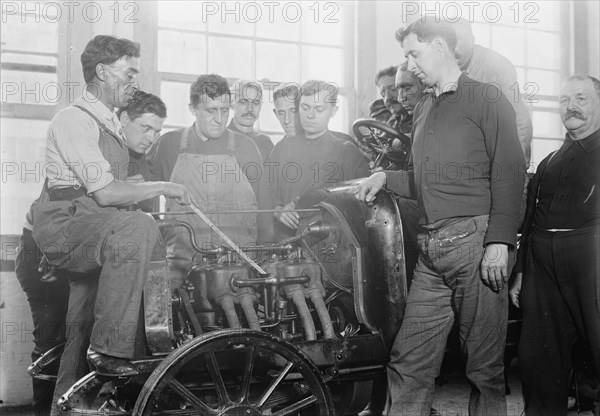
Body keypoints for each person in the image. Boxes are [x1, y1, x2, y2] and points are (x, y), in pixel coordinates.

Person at [355, 19, 525, 415]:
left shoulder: (487, 98)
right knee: (409, 360)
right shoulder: (425, 107)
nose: (410, 65)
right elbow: (425, 182)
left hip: (476, 242)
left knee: (483, 370)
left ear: (438, 46)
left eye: (414, 53)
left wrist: (500, 241)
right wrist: (385, 176)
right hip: (433, 250)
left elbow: (510, 170)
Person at [31, 34, 191, 390]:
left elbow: (107, 186)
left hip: (93, 228)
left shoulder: (111, 124)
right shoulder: (75, 120)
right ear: (102, 73)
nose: (134, 82)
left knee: (81, 327)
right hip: (71, 224)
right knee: (138, 226)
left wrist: (134, 184)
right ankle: (110, 350)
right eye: (128, 73)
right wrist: (161, 187)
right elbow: (104, 194)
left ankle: (73, 399)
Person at [510, 75, 600, 416]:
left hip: (592, 258)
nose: (571, 106)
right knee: (539, 357)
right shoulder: (549, 163)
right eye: (564, 100)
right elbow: (530, 224)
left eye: (581, 98)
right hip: (542, 264)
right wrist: (520, 274)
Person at [147, 74, 270, 283]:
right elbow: (145, 200)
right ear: (192, 109)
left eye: (224, 110)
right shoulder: (169, 144)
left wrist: (264, 257)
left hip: (238, 267)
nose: (219, 119)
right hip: (182, 267)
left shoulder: (246, 148)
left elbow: (264, 208)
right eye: (211, 110)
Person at [267, 79, 369, 240]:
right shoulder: (282, 149)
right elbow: (265, 193)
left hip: (332, 243)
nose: (310, 115)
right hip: (287, 242)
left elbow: (361, 205)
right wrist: (278, 210)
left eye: (319, 109)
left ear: (333, 111)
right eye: (305, 107)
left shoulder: (346, 151)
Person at [453, 17, 533, 165]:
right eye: (445, 44)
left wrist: (518, 165)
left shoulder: (497, 66)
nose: (450, 50)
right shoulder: (442, 67)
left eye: (455, 42)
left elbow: (519, 118)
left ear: (471, 41)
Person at [228, 79, 274, 160]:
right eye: (243, 102)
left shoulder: (265, 143)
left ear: (261, 105)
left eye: (255, 103)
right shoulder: (219, 139)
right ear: (231, 104)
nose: (250, 109)